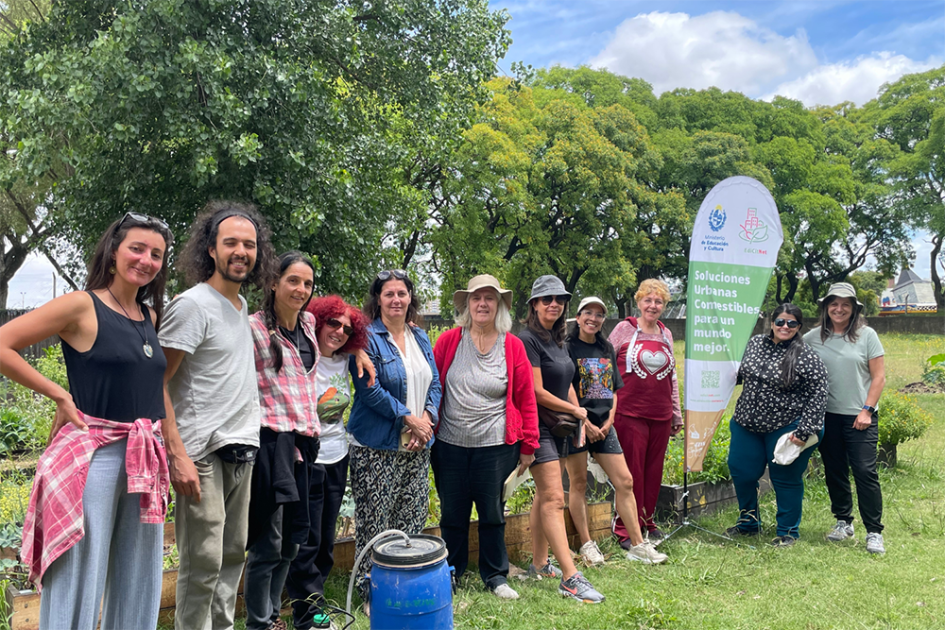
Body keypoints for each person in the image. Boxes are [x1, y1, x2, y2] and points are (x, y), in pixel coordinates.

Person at [1, 213, 173, 630]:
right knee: (80, 571)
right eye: (137, 248)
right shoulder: (82, 304)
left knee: (140, 575)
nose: (146, 260)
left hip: (144, 457)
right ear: (114, 252)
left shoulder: (149, 318)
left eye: (156, 254)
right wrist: (58, 393)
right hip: (92, 458)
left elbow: (152, 390)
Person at [159, 201, 275, 630]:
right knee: (203, 560)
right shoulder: (192, 305)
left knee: (230, 556)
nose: (241, 251)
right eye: (231, 243)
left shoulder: (241, 306)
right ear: (211, 248)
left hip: (241, 447)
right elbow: (158, 383)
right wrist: (178, 454)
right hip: (201, 452)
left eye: (249, 243)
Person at [431, 275, 540, 600]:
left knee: (492, 513)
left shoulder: (512, 345)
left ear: (500, 305)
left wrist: (529, 445)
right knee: (452, 513)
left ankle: (495, 575)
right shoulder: (449, 341)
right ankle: (451, 572)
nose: (482, 304)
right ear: (467, 304)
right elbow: (433, 389)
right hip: (449, 446)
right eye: (476, 298)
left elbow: (525, 397)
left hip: (495, 447)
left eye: (489, 298)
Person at [347, 269, 442, 613]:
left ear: (410, 298)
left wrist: (427, 420)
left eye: (402, 293)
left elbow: (434, 383)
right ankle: (370, 590)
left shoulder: (421, 337)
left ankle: (401, 584)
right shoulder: (367, 339)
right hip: (377, 446)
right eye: (389, 294)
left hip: (417, 445)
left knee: (411, 519)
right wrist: (409, 420)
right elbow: (369, 390)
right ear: (378, 300)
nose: (396, 300)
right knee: (376, 522)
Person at [243, 252, 322, 630]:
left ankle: (274, 616)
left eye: (307, 283)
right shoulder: (254, 328)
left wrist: (359, 352)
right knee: (268, 544)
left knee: (293, 541)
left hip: (304, 444)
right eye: (293, 280)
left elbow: (349, 329)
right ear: (274, 282)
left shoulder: (308, 324)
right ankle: (259, 622)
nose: (301, 289)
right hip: (271, 444)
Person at [519, 275, 605, 604]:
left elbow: (566, 377)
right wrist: (575, 410)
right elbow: (536, 391)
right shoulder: (528, 340)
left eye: (559, 299)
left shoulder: (558, 340)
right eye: (546, 299)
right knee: (555, 497)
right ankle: (571, 579)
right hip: (536, 426)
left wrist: (576, 409)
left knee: (544, 495)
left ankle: (540, 564)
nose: (554, 303)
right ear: (534, 305)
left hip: (559, 427)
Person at [285, 295, 368, 630]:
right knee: (307, 541)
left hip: (338, 455)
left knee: (326, 542)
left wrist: (358, 349)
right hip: (307, 457)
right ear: (318, 321)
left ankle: (314, 604)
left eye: (348, 329)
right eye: (333, 323)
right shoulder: (305, 355)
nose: (339, 331)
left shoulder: (346, 359)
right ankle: (310, 617)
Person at [565, 297, 668, 565]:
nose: (593, 318)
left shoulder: (606, 347)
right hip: (577, 425)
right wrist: (584, 421)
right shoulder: (567, 347)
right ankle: (587, 544)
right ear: (578, 317)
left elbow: (613, 389)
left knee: (625, 481)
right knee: (577, 484)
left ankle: (637, 544)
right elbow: (564, 386)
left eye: (599, 314)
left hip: (604, 426)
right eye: (588, 313)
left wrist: (609, 420)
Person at [726, 304, 828, 547]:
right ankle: (749, 523)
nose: (785, 327)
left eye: (792, 323)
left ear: (799, 327)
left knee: (785, 477)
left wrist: (804, 431)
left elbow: (819, 393)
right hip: (746, 422)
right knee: (741, 472)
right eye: (781, 321)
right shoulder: (755, 344)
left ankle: (787, 532)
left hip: (786, 425)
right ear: (772, 323)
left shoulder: (805, 355)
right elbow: (740, 373)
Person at [804, 282, 888, 554]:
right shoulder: (813, 338)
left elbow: (879, 376)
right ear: (826, 307)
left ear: (853, 309)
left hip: (859, 416)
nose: (839, 309)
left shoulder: (867, 335)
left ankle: (874, 531)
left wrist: (868, 410)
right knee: (835, 470)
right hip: (826, 416)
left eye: (845, 304)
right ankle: (843, 521)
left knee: (865, 471)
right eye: (833, 304)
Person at [608, 279, 682, 545]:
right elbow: (606, 367)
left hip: (660, 414)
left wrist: (676, 413)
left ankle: (647, 520)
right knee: (631, 472)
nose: (653, 306)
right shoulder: (623, 329)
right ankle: (625, 528)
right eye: (648, 300)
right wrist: (605, 409)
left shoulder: (666, 333)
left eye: (659, 301)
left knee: (653, 471)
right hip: (630, 413)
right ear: (639, 302)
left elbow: (671, 377)